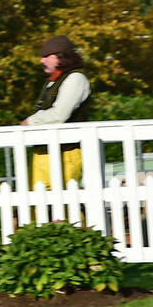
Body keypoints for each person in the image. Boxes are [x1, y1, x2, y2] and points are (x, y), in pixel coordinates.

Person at [21, 35, 92, 191]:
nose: (42, 60)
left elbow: (59, 114)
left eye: (47, 56)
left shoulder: (76, 78)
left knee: (66, 200)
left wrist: (30, 122)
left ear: (61, 57)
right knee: (38, 199)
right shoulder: (52, 80)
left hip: (67, 152)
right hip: (43, 151)